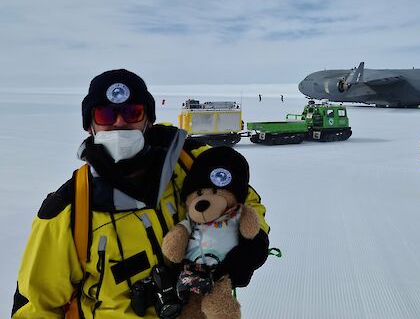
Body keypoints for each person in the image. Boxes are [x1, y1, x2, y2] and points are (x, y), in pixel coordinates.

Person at [12, 69, 270, 318]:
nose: (120, 123)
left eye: (132, 112)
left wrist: (251, 242)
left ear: (148, 119)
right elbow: (37, 304)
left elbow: (247, 202)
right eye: (105, 114)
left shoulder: (191, 163)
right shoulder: (69, 209)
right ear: (90, 125)